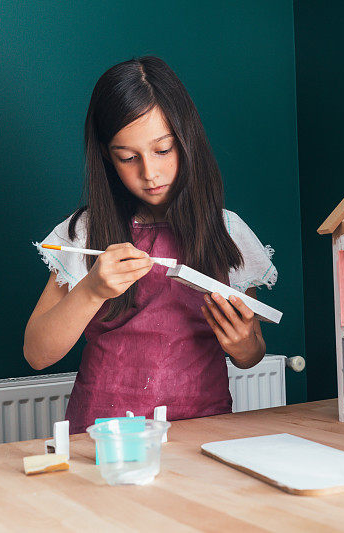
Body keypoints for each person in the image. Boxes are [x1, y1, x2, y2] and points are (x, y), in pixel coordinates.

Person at [23, 56, 277, 434]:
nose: (150, 172)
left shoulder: (228, 232)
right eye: (128, 158)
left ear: (187, 141)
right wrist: (92, 289)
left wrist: (243, 345)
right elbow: (37, 354)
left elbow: (251, 353)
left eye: (163, 150)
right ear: (108, 159)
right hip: (104, 436)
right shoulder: (85, 232)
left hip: (203, 431)